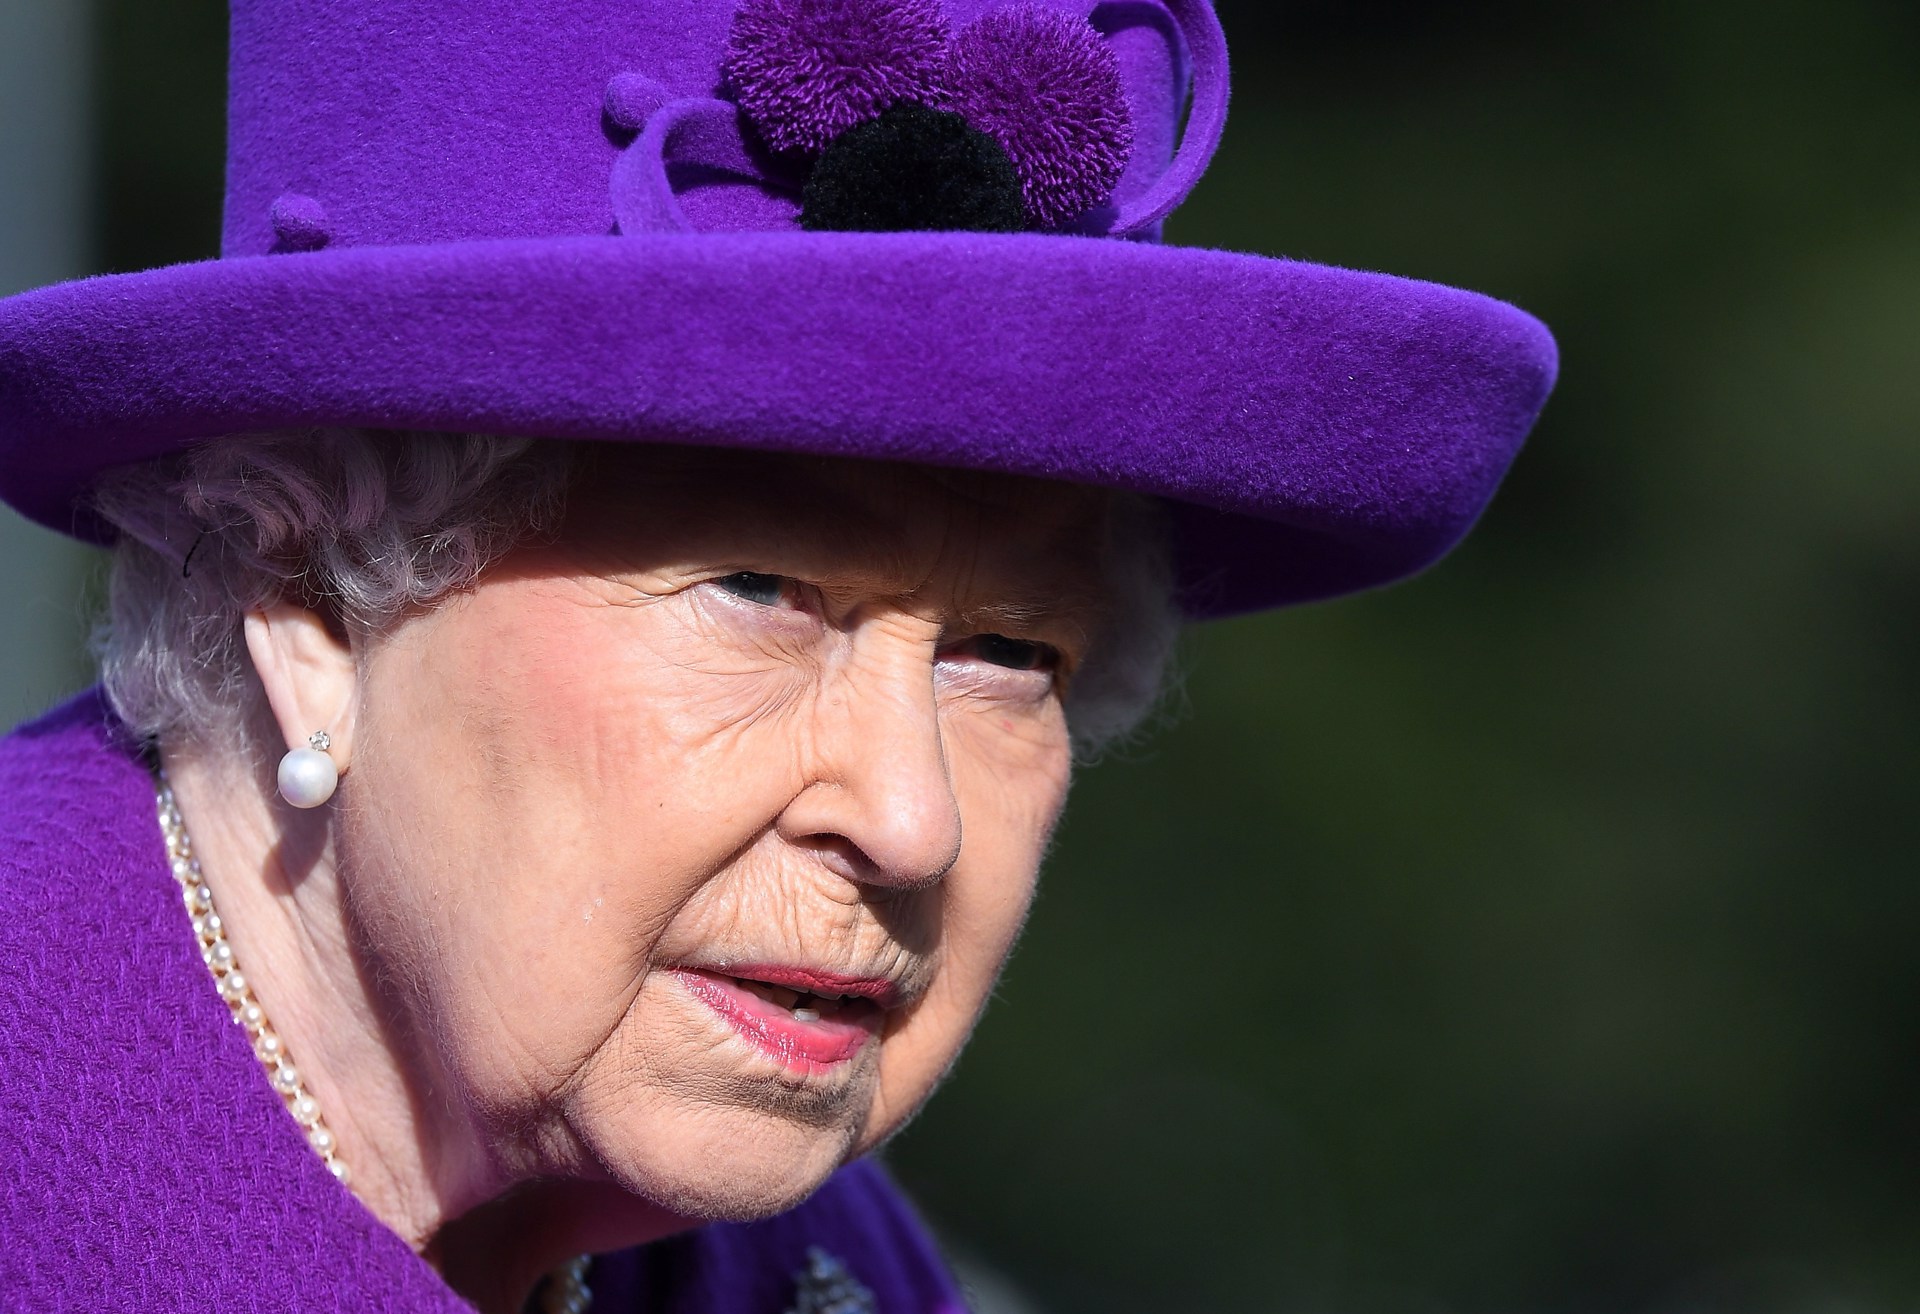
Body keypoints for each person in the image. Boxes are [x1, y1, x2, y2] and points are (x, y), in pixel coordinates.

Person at [0, 0, 1556, 1309]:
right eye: (762, 588)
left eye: (1009, 650)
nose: (910, 818)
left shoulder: (799, 1250)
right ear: (316, 600)